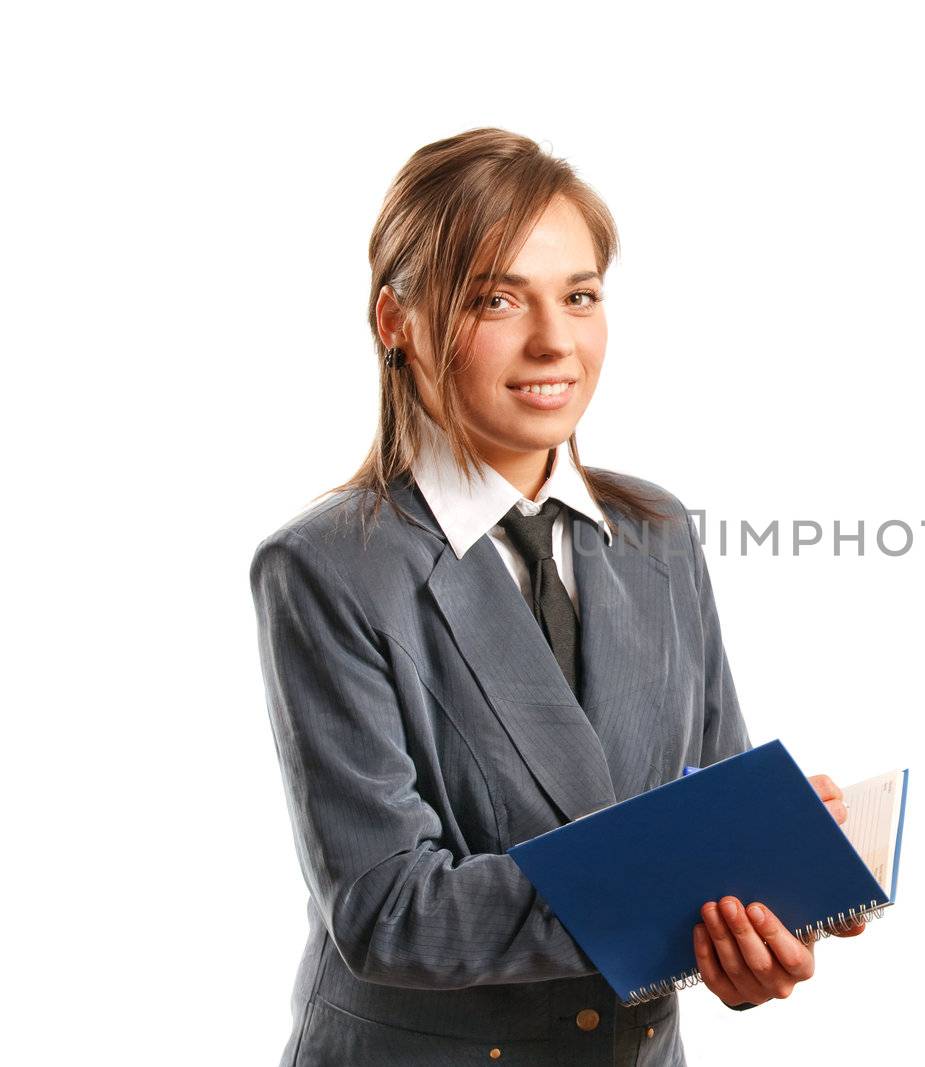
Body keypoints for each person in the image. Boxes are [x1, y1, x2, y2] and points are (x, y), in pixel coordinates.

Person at [249, 127, 864, 1067]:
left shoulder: (657, 530)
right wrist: (684, 883)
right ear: (395, 321)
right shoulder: (327, 566)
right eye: (497, 298)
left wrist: (765, 911)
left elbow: (712, 814)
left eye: (579, 296)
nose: (554, 340)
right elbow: (387, 909)